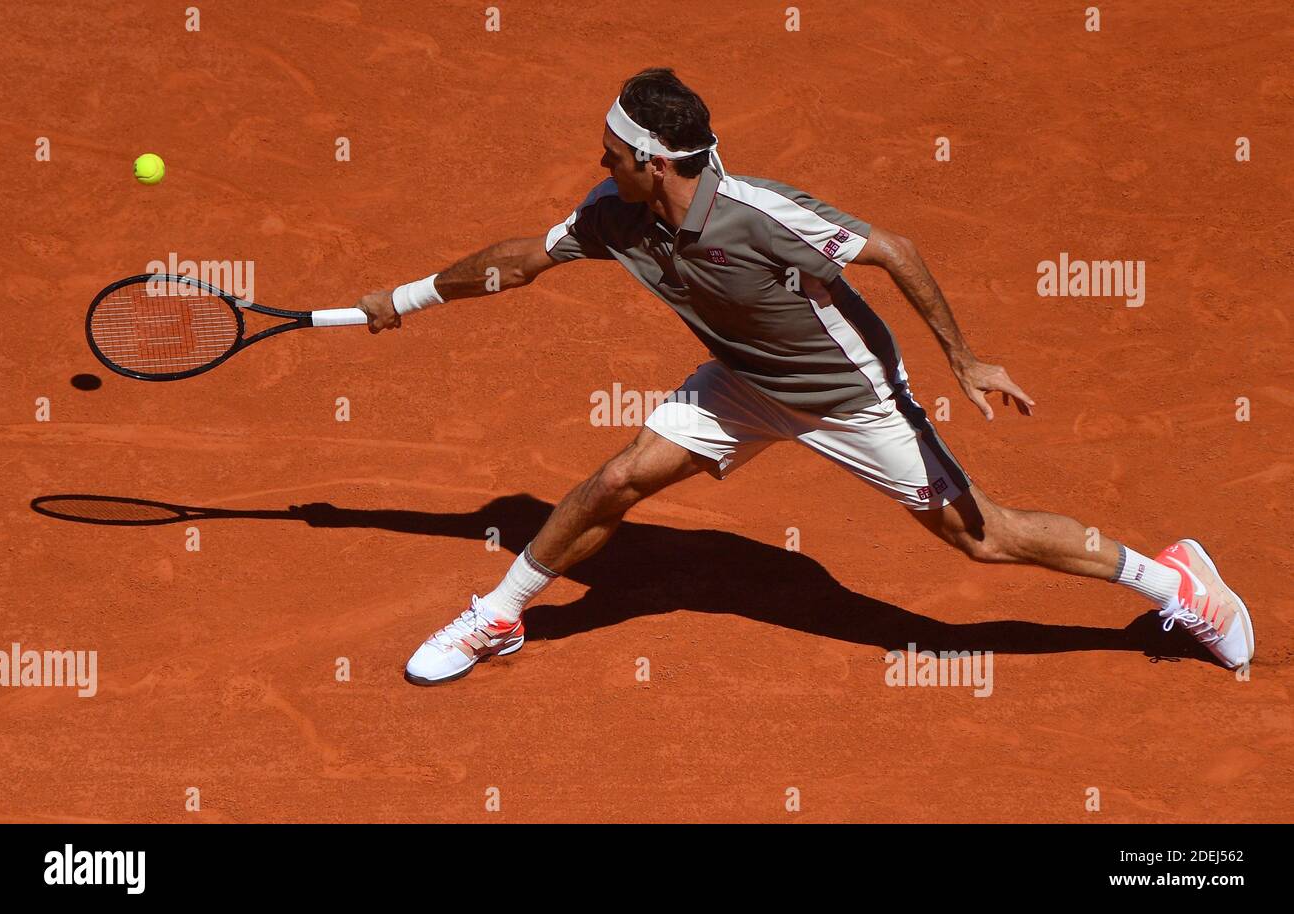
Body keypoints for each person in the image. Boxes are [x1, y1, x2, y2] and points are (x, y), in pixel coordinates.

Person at [355, 68, 1254, 685]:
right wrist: (405, 296)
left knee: (985, 539)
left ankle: (1170, 580)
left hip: (849, 397)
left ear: (656, 163)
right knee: (618, 478)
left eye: (612, 156)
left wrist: (964, 360)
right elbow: (519, 262)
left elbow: (894, 251)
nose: (601, 167)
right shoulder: (614, 215)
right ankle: (502, 615)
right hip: (743, 381)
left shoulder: (760, 216)